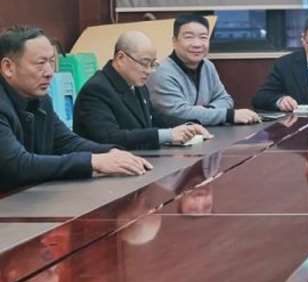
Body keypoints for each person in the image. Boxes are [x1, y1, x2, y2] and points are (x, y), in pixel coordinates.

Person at [0, 26, 152, 192]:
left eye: (52, 62)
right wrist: (92, 161)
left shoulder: (41, 100)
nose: (50, 72)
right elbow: (18, 165)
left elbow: (66, 141)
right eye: (40, 63)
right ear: (8, 68)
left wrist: (111, 152)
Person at [74, 31, 211, 149]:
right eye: (144, 63)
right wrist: (167, 135)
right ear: (121, 58)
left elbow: (153, 118)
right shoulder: (97, 89)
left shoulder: (137, 85)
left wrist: (188, 126)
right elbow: (110, 138)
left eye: (152, 64)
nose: (149, 71)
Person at [148, 14, 260, 125]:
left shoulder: (207, 65)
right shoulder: (160, 72)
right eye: (189, 37)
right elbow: (179, 113)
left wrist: (205, 112)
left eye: (203, 37)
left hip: (206, 132)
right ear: (174, 41)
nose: (197, 44)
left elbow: (225, 99)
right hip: (174, 134)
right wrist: (228, 115)